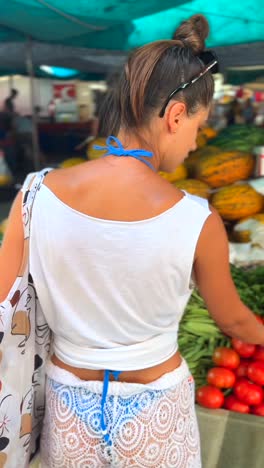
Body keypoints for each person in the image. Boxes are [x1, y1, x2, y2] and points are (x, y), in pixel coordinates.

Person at [1, 14, 264, 468]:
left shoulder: (34, 194)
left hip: (69, 411)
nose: (195, 143)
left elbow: (6, 298)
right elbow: (235, 323)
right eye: (198, 126)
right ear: (175, 115)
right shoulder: (197, 219)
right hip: (156, 409)